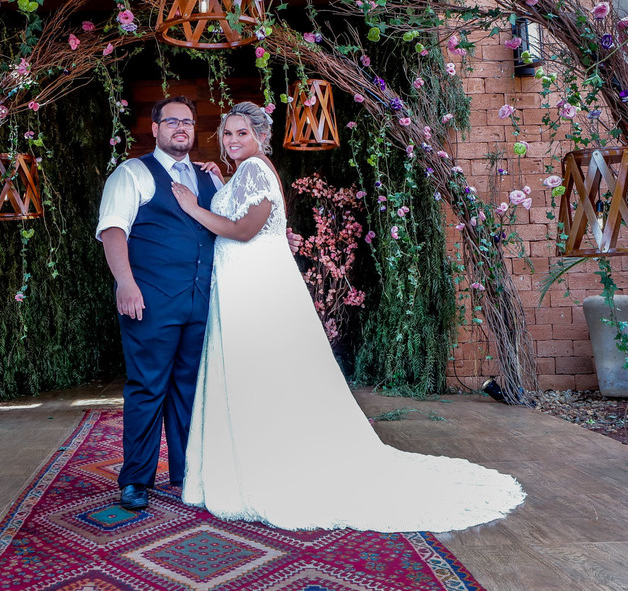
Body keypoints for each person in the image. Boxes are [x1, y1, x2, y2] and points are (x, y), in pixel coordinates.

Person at [170, 102, 527, 532]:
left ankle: (265, 469)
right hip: (243, 283)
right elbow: (248, 216)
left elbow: (244, 231)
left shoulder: (255, 170)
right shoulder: (248, 171)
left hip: (254, 286)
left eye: (241, 133)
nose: (232, 141)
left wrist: (192, 206)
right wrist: (218, 181)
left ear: (261, 135)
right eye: (227, 134)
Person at [97, 96, 220, 511]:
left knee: (189, 389)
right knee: (148, 387)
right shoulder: (132, 173)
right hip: (149, 302)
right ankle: (136, 479)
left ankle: (187, 472)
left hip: (201, 302)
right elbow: (113, 230)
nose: (181, 128)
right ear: (155, 129)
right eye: (171, 122)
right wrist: (125, 283)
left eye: (187, 122)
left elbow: (230, 229)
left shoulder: (209, 179)